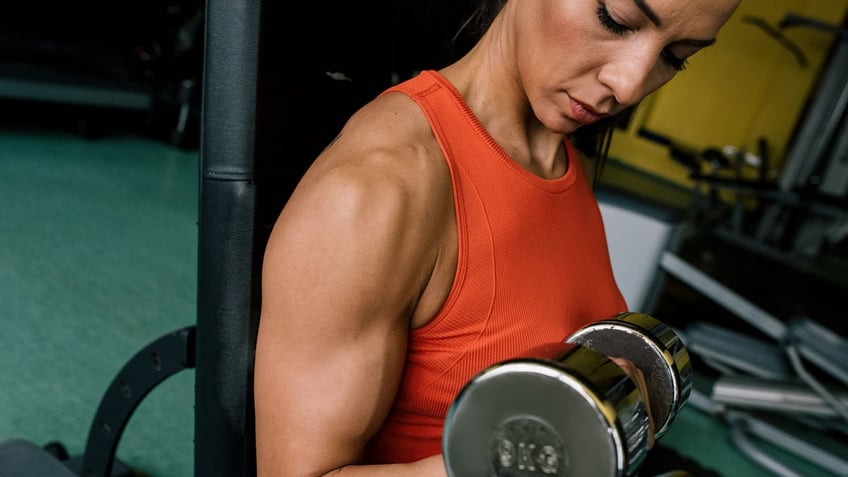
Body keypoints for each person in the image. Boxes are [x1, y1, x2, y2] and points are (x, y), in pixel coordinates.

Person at [253, 0, 741, 475]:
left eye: (676, 57)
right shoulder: (376, 188)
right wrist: (520, 457)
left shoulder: (566, 161)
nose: (629, 84)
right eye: (615, 19)